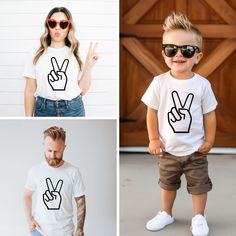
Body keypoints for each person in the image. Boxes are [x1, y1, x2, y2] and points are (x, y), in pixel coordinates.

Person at [141, 12, 217, 236]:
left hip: (195, 150)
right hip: (168, 150)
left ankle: (199, 217)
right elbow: (151, 112)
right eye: (171, 49)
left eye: (187, 50)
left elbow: (209, 114)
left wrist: (210, 140)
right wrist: (154, 138)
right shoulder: (159, 83)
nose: (179, 54)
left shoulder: (202, 85)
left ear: (198, 56)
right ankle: (166, 213)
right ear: (164, 52)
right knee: (167, 184)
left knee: (199, 186)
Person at [23, 7, 99, 117]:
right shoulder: (35, 52)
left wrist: (88, 67)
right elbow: (30, 90)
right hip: (43, 110)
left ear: (69, 27)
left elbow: (82, 91)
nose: (57, 28)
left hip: (73, 109)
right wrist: (28, 119)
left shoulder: (77, 52)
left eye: (63, 24)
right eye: (53, 23)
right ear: (47, 26)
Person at [23, 126, 86, 236]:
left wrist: (79, 229)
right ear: (44, 146)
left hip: (66, 232)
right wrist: (29, 220)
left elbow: (80, 202)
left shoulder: (73, 172)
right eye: (49, 150)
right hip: (39, 231)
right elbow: (27, 195)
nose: (52, 155)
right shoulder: (35, 170)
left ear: (64, 148)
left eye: (57, 151)